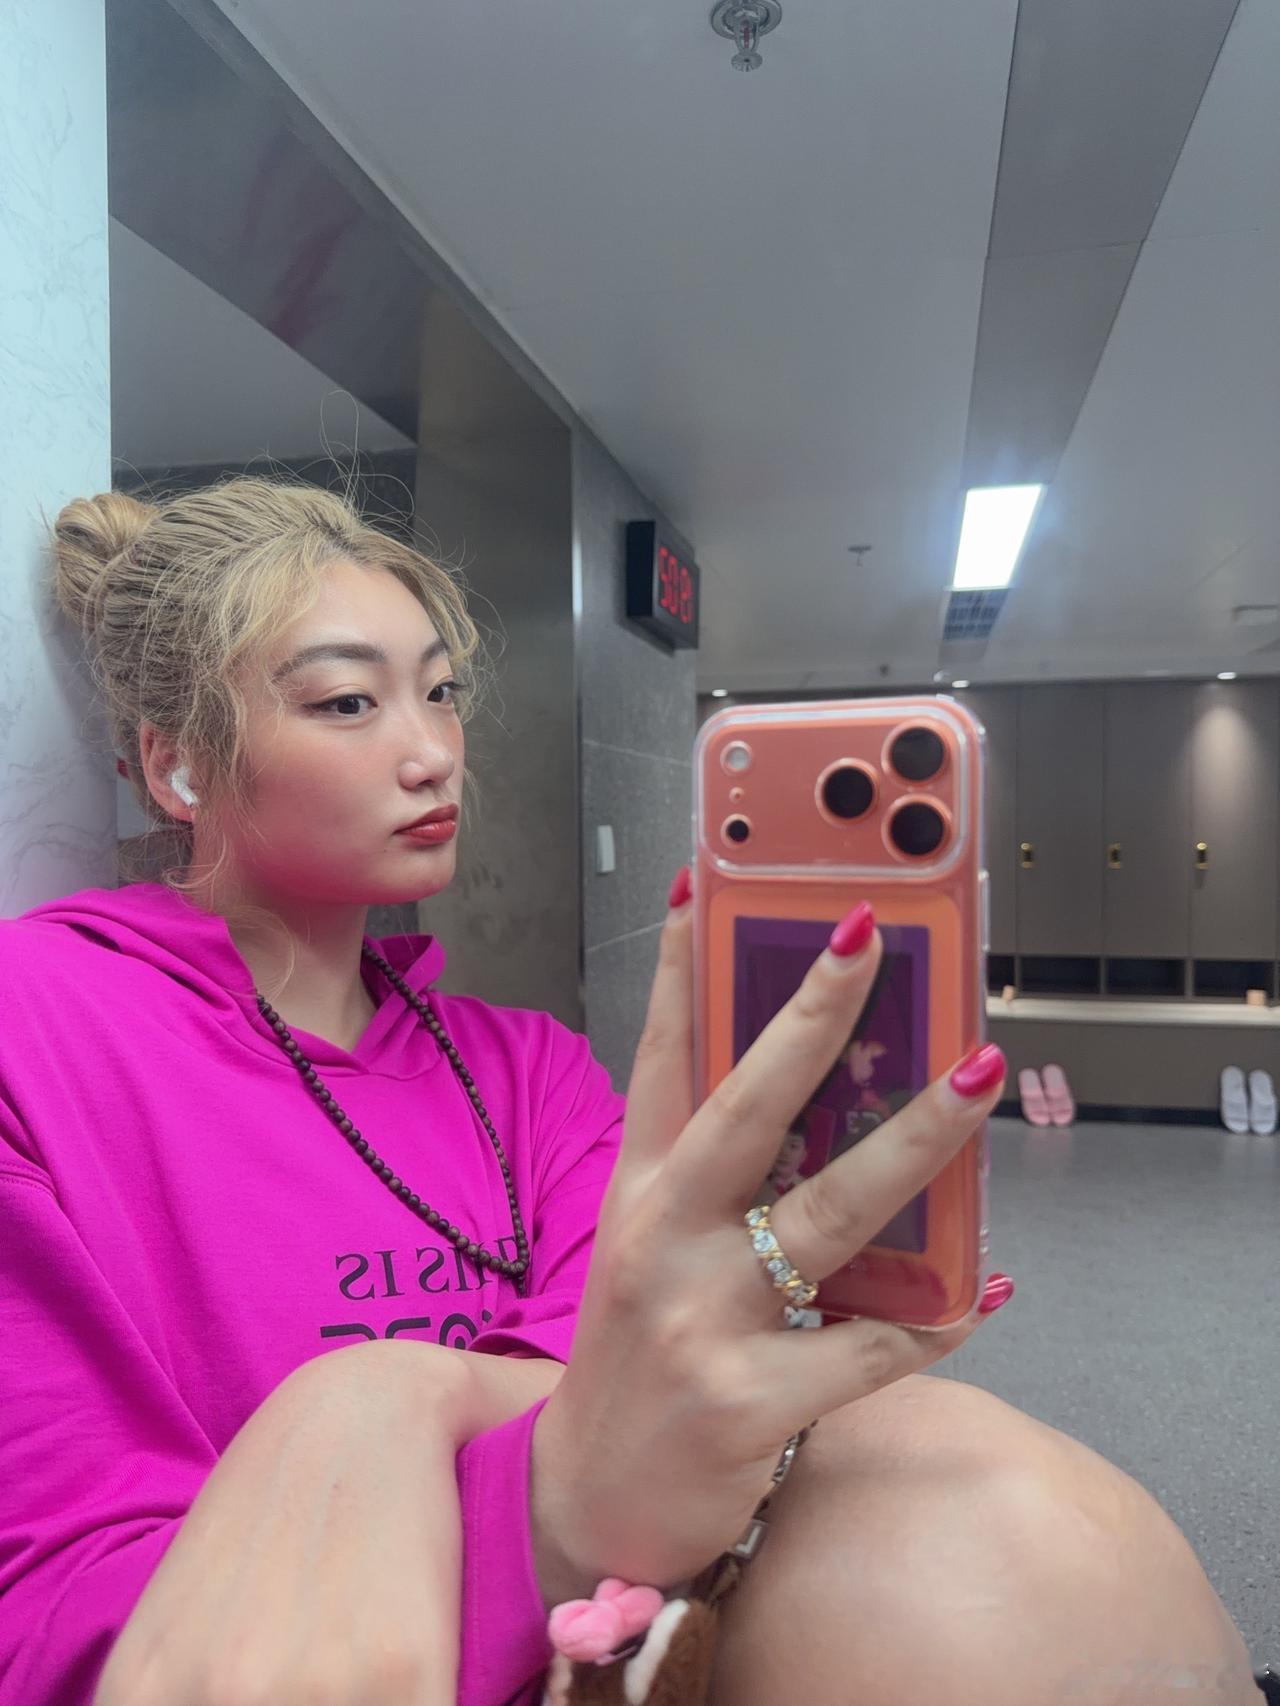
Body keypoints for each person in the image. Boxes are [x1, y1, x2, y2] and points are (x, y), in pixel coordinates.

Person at [0, 477, 1259, 1706]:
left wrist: (394, 1391)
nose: (433, 753)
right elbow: (54, 1608)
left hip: (624, 1638)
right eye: (347, 702)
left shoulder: (527, 1070)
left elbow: (644, 1371)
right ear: (177, 766)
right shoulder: (35, 1031)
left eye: (441, 692)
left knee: (983, 1501)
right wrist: (553, 1479)